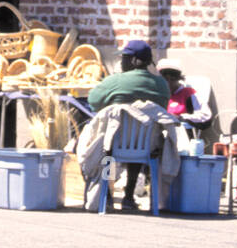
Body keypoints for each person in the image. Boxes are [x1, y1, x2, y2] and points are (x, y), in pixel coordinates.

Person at [87, 39, 171, 210]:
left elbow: (93, 102)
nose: (121, 62)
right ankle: (128, 196)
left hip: (112, 144)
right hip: (149, 145)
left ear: (133, 60)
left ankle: (107, 196)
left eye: (123, 58)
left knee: (104, 143)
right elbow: (163, 108)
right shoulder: (162, 84)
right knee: (137, 137)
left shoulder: (115, 81)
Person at [157, 60, 212, 130]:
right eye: (165, 79)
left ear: (178, 78)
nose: (168, 83)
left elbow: (205, 117)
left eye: (172, 79)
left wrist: (180, 117)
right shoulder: (159, 94)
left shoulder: (189, 94)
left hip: (181, 133)